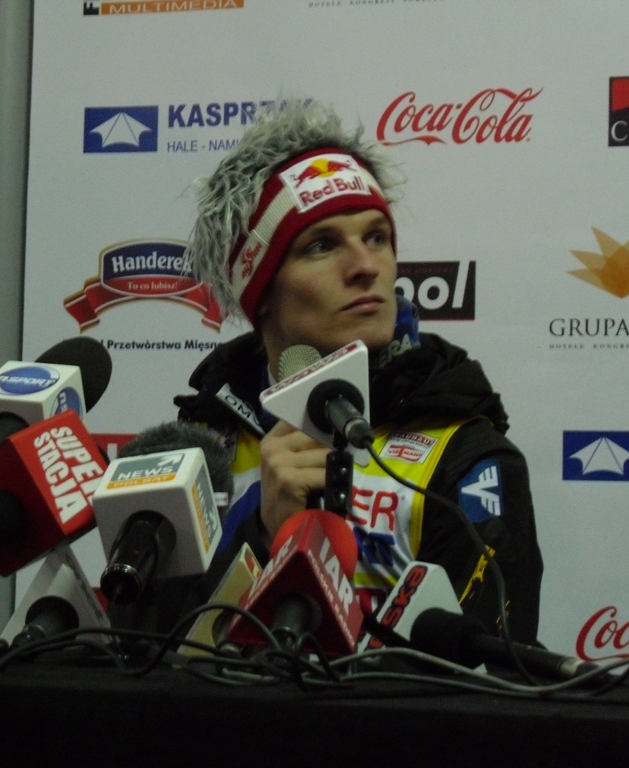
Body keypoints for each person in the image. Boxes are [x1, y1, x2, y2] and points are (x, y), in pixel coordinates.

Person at [174, 98, 543, 644]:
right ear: (261, 292)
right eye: (321, 245)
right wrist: (261, 535)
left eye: (376, 237)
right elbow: (150, 657)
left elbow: (488, 685)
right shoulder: (200, 444)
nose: (366, 266)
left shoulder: (465, 452)